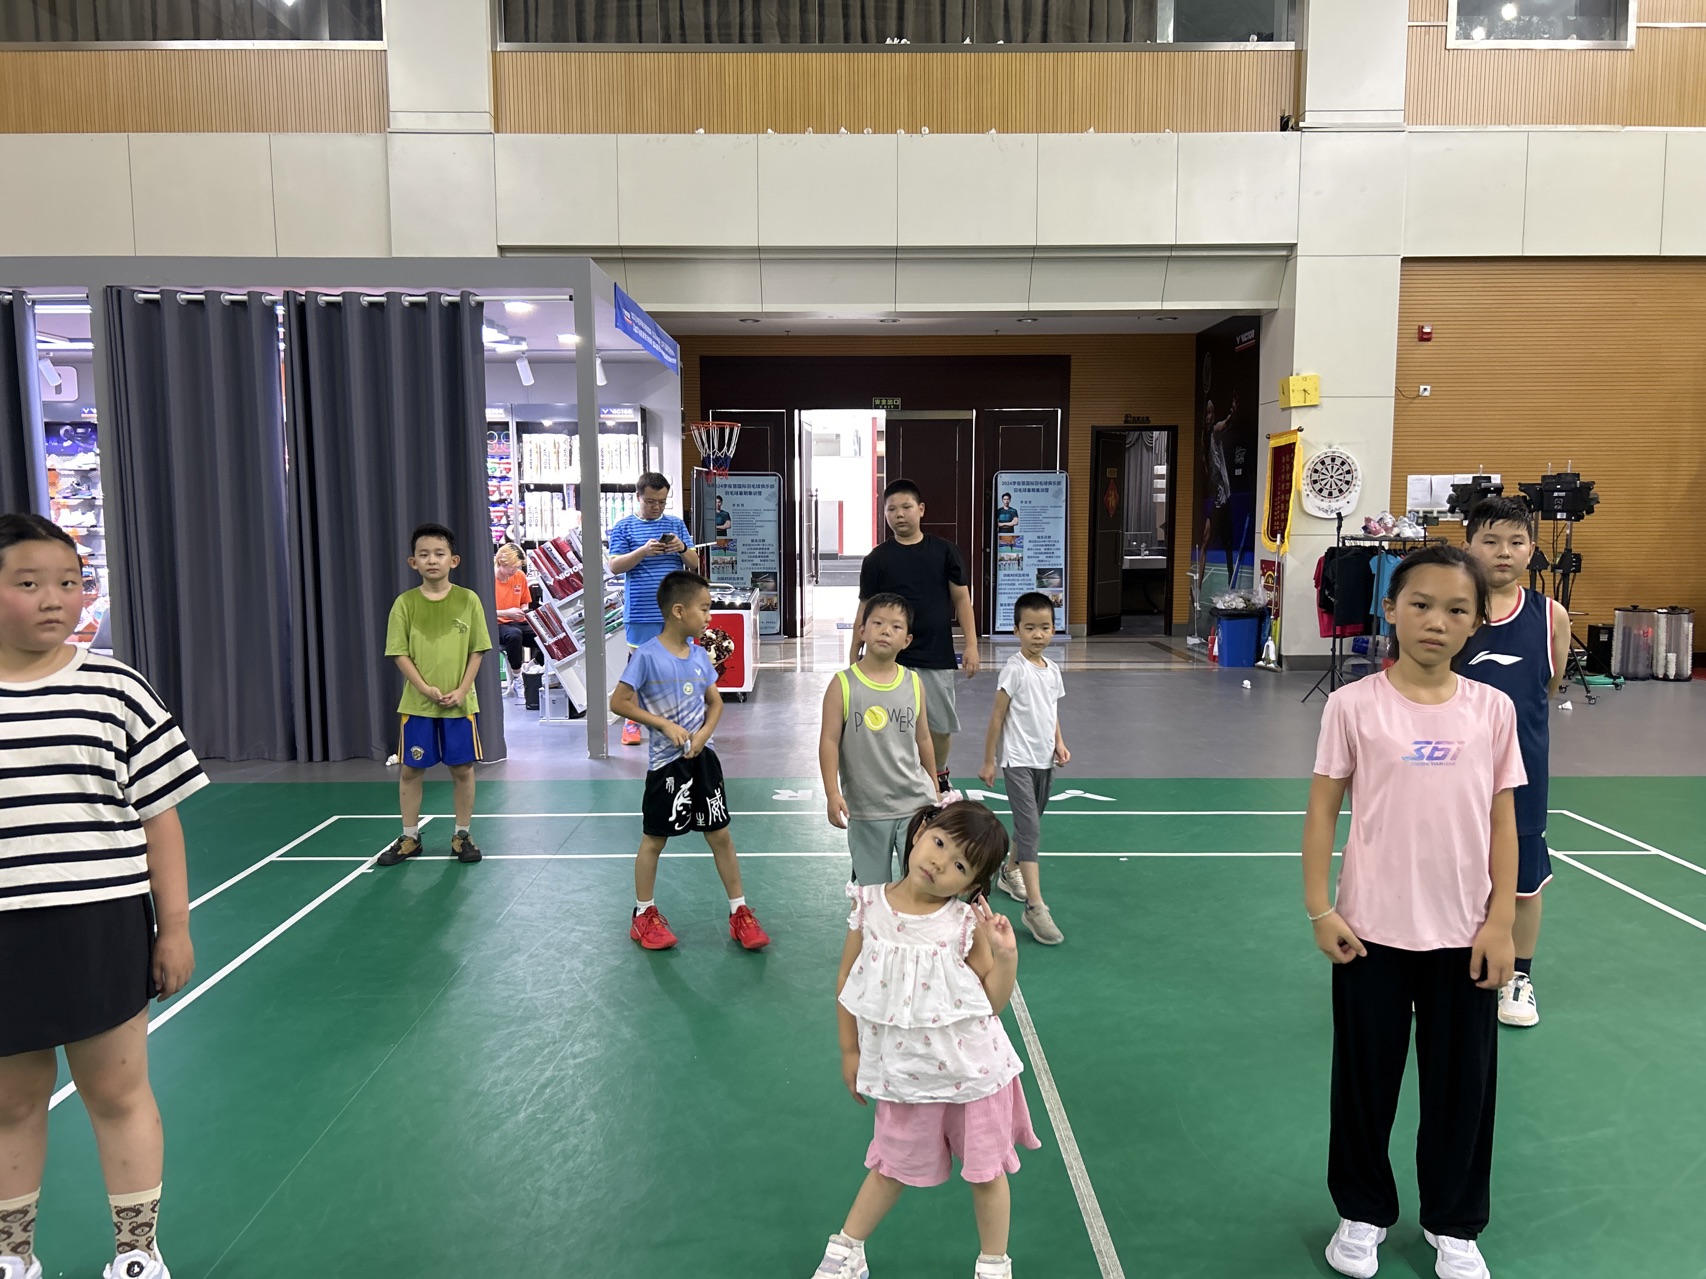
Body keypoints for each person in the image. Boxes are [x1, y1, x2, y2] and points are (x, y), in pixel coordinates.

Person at [1303, 545, 1523, 1279]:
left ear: (1477, 622)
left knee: (1464, 1089)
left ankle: (1454, 1223)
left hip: (1465, 935)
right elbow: (1322, 811)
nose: (1436, 621)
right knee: (1364, 1083)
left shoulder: (1492, 710)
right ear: (1390, 608)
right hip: (1369, 933)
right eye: (1421, 604)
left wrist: (1500, 923)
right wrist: (1320, 907)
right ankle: (1361, 1212)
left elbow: (1503, 824)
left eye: (1457, 609)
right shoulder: (1352, 705)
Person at [0, 513, 208, 1279]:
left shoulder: (116, 687)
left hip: (101, 925)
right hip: (5, 933)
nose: (54, 598)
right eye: (28, 582)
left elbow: (161, 817)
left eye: (69, 581)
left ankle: (137, 1250)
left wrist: (174, 927)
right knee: (11, 1101)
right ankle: (12, 1253)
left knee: (117, 1092)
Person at [811, 801, 1038, 1279]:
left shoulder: (964, 924)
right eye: (939, 843)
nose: (939, 863)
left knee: (987, 1175)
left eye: (960, 866)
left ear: (972, 885)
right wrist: (849, 1050)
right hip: (905, 1076)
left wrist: (1006, 957)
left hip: (973, 1075)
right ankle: (848, 1250)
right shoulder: (868, 906)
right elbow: (847, 979)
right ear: (919, 833)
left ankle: (993, 1265)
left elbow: (990, 1004)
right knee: (889, 1166)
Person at [609, 570, 770, 952]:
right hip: (666, 765)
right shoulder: (646, 656)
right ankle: (643, 914)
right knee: (655, 839)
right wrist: (662, 724)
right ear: (679, 611)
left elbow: (714, 703)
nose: (709, 616)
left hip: (703, 759)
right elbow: (619, 702)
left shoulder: (699, 655)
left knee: (720, 835)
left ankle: (740, 912)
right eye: (704, 608)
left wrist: (703, 735)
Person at [1458, 497, 1569, 1029]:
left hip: (1521, 775)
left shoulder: (1551, 617)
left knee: (1523, 880)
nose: (1504, 552)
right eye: (1490, 541)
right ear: (1468, 545)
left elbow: (1547, 687)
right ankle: (1441, 967)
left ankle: (1518, 977)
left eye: (1516, 542)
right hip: (1450, 771)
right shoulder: (1451, 608)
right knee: (1447, 871)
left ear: (1531, 550)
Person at [855, 480, 980, 793]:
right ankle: (894, 776)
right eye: (891, 509)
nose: (899, 514)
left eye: (906, 507)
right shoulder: (876, 559)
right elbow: (865, 606)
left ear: (921, 510)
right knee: (887, 722)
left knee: (939, 723)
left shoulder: (945, 552)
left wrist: (972, 645)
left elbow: (962, 599)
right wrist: (855, 647)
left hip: (935, 653)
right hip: (888, 657)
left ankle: (939, 775)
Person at [379, 523, 491, 868]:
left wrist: (462, 689)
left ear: (453, 560)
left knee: (463, 769)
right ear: (413, 562)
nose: (432, 560)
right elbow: (399, 652)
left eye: (439, 554)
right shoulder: (405, 604)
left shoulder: (468, 600)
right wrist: (424, 688)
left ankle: (462, 835)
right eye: (424, 554)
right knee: (411, 770)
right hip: (417, 705)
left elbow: (477, 650)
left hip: (460, 705)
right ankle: (410, 837)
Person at [820, 593, 940, 886]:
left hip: (915, 805)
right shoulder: (842, 684)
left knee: (921, 888)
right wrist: (832, 793)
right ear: (862, 630)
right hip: (866, 809)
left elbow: (923, 738)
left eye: (896, 626)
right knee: (871, 893)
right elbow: (829, 742)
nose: (886, 631)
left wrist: (935, 786)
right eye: (878, 623)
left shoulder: (914, 683)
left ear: (907, 640)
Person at [978, 592, 1069, 946]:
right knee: (1030, 828)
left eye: (1044, 627)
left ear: (1053, 629)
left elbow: (1051, 711)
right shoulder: (1014, 670)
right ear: (1016, 631)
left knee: (1030, 824)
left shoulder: (1053, 671)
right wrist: (989, 760)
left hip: (1045, 761)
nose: (1037, 634)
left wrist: (1059, 742)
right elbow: (996, 717)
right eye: (1029, 628)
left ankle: (1009, 871)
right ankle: (1035, 906)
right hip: (1017, 761)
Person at [607, 473, 698, 747]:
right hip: (641, 611)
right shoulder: (623, 527)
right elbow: (614, 566)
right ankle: (632, 723)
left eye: (662, 501)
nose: (656, 506)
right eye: (650, 501)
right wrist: (643, 552)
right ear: (638, 497)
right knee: (639, 670)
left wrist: (682, 547)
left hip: (676, 613)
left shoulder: (676, 524)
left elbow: (694, 562)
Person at [493, 542, 533, 694]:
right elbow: (482, 610)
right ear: (502, 562)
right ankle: (517, 677)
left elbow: (524, 601)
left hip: (517, 621)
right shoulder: (488, 579)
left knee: (545, 635)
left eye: (518, 567)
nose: (515, 571)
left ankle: (532, 666)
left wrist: (523, 611)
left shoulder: (520, 576)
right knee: (514, 635)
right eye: (513, 567)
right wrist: (506, 613)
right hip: (496, 623)